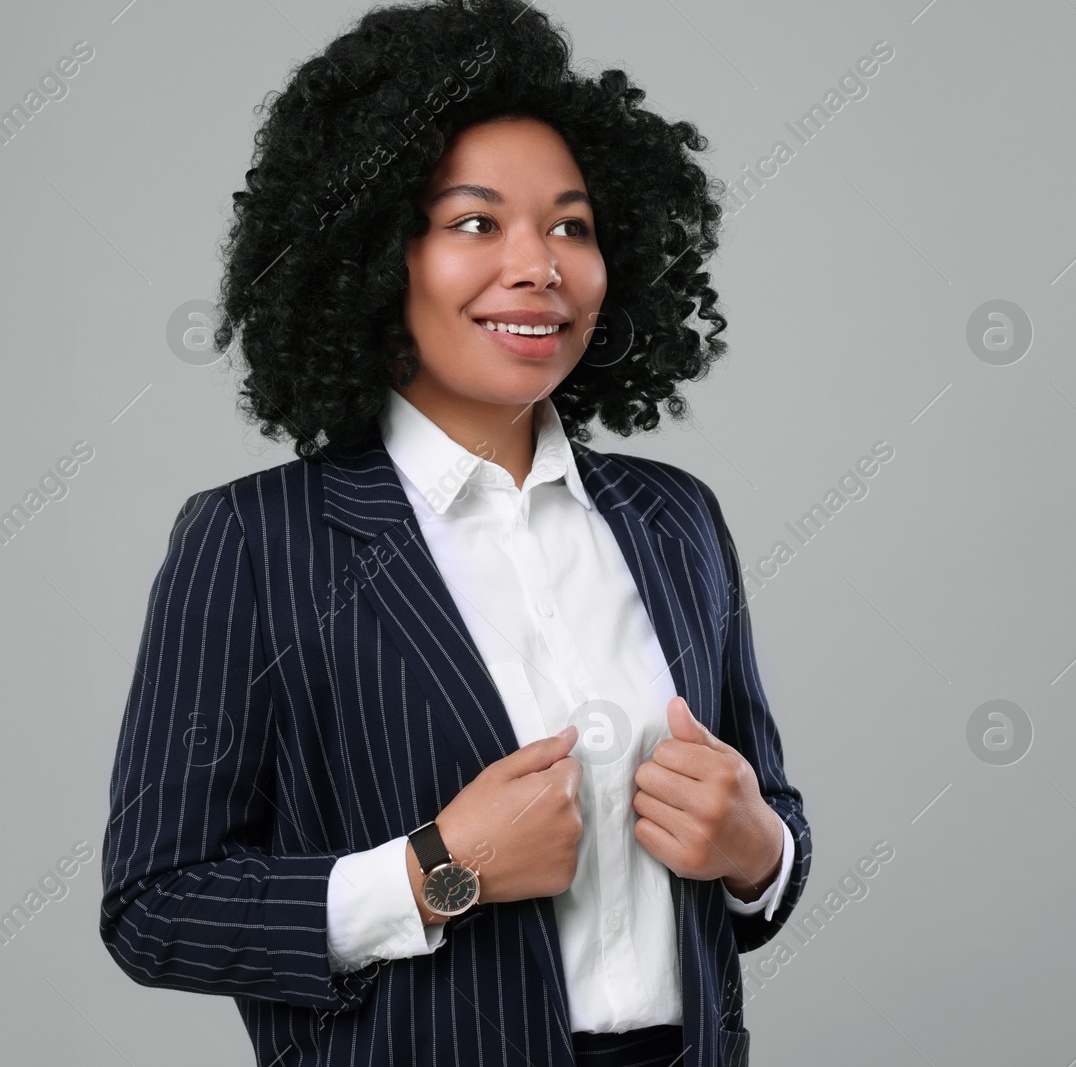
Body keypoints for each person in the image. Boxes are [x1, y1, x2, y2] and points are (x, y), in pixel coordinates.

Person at [97, 2, 810, 1065]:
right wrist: (438, 866)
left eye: (571, 224)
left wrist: (760, 848)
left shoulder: (674, 519)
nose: (541, 266)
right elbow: (155, 905)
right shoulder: (254, 541)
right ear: (378, 252)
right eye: (476, 222)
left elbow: (759, 812)